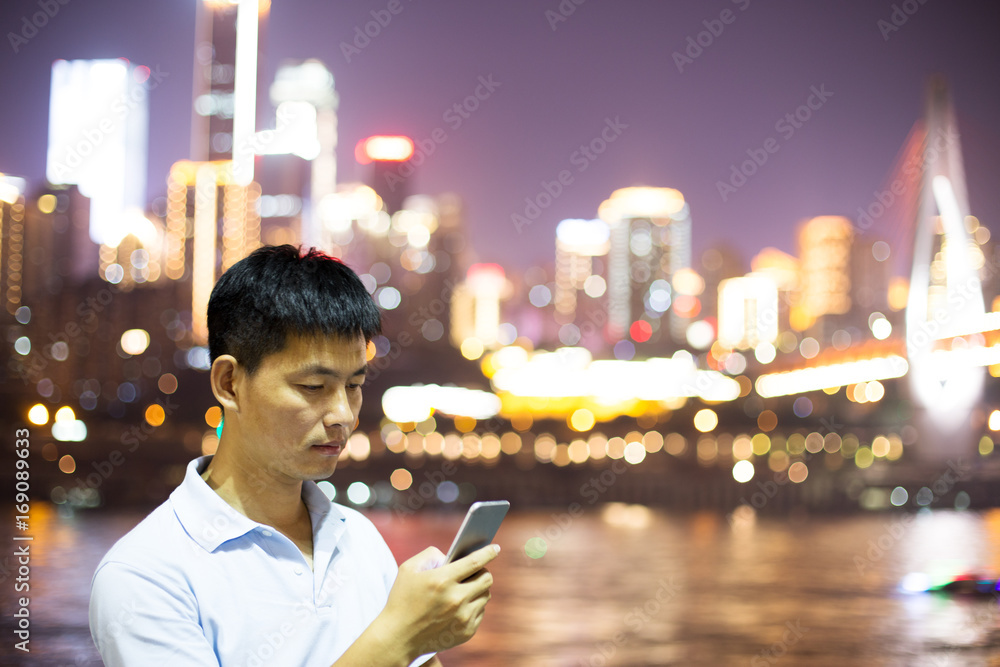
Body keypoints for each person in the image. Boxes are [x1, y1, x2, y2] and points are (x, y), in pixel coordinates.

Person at [89, 245, 498, 666]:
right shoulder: (145, 576)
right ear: (230, 383)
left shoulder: (358, 540)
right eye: (313, 387)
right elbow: (396, 643)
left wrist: (423, 632)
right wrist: (399, 635)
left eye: (354, 386)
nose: (342, 415)